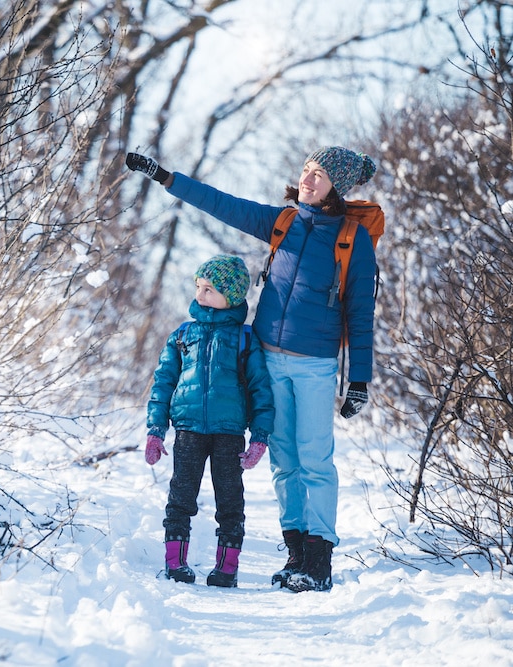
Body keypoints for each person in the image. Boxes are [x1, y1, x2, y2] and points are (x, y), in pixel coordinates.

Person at [128, 146, 377, 593]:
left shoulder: (352, 239)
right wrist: (166, 177)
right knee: (283, 460)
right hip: (267, 358)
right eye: (306, 170)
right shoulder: (283, 223)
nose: (308, 179)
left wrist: (358, 379)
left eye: (319, 175)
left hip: (316, 364)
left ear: (336, 186)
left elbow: (360, 311)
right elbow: (222, 204)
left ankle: (319, 559)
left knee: (314, 458)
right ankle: (296, 551)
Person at [145, 254, 275, 588]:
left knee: (230, 499)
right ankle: (175, 563)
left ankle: (226, 568)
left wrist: (260, 436)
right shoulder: (183, 334)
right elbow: (163, 383)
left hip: (229, 433)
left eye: (210, 289)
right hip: (188, 430)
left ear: (231, 297)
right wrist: (156, 430)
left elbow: (261, 389)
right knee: (180, 496)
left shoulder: (245, 339)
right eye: (199, 287)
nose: (200, 295)